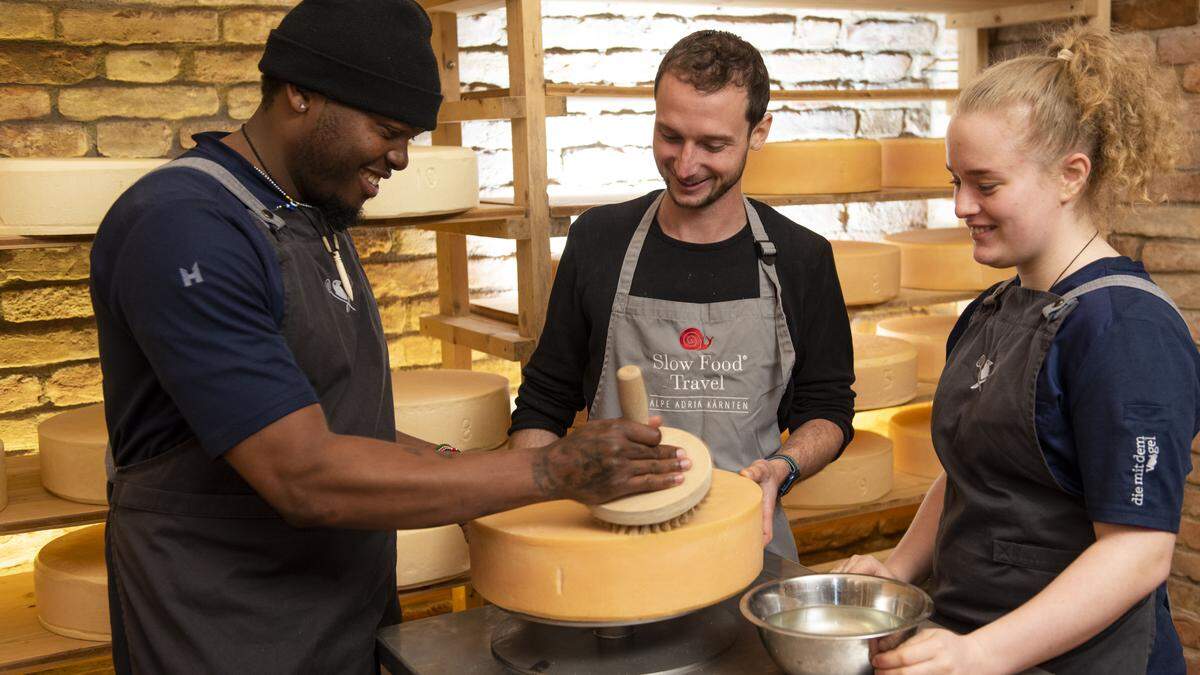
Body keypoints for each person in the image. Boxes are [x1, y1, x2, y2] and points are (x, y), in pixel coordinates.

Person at [89, 1, 688, 671]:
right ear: (299, 92)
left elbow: (340, 418)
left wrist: (463, 471)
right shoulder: (185, 227)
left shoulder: (310, 220)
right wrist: (547, 469)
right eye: (386, 129)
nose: (400, 158)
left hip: (337, 620)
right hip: (223, 631)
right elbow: (303, 473)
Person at [835, 24, 1200, 674]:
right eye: (955, 180)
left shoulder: (1126, 331)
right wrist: (897, 568)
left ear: (1070, 175)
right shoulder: (992, 309)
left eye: (986, 184)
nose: (959, 205)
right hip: (968, 637)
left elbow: (1139, 551)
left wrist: (981, 653)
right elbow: (969, 467)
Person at [508, 30, 856, 562]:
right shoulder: (598, 240)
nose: (686, 164)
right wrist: (525, 524)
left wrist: (781, 470)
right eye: (670, 136)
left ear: (758, 131)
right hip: (611, 546)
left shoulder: (801, 258)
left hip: (746, 542)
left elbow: (828, 407)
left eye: (713, 145)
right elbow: (545, 400)